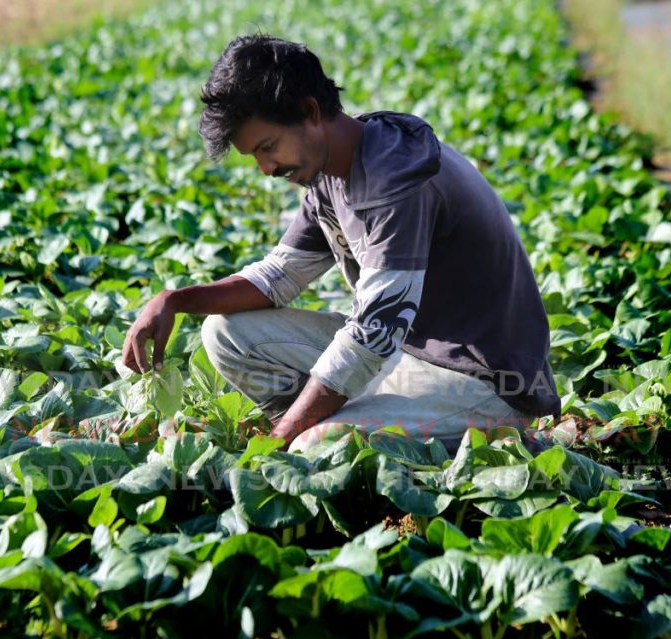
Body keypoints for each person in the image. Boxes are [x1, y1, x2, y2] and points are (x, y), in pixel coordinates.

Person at [121, 35, 560, 452]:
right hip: (406, 358)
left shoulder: (397, 180)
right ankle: (354, 421)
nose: (266, 168)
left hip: (487, 384)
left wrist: (286, 434)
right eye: (254, 155)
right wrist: (174, 300)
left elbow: (373, 333)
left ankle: (473, 434)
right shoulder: (332, 171)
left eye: (268, 147)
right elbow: (279, 276)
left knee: (318, 446)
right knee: (226, 332)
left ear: (310, 111)